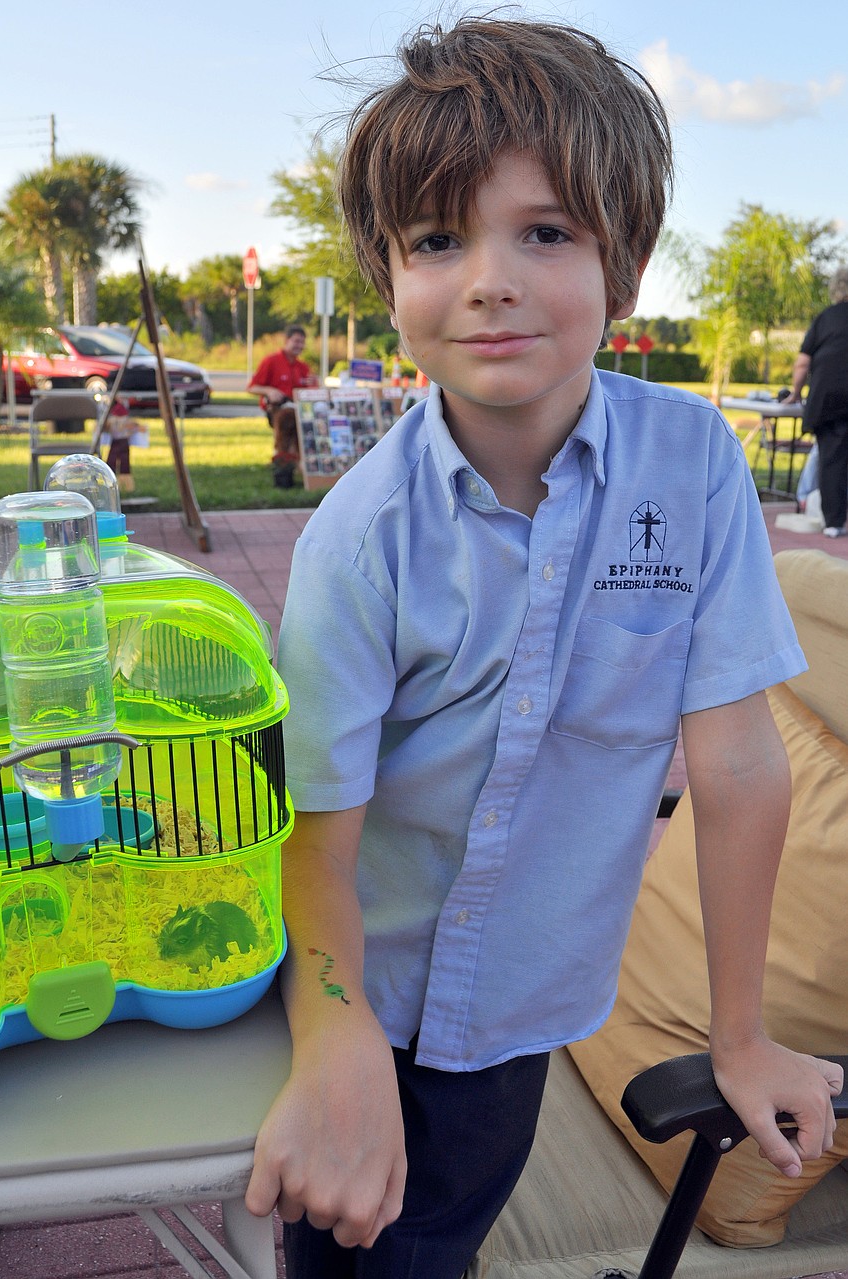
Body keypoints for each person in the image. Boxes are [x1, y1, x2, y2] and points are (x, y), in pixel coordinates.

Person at [245, 18, 843, 1279]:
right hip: (364, 983)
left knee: (434, 1248)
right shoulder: (362, 537)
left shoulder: (692, 470)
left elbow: (736, 765)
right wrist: (336, 1041)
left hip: (522, 1009)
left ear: (622, 270)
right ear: (389, 276)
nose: (488, 279)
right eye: (437, 239)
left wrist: (739, 1036)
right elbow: (318, 828)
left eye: (546, 231)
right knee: (339, 1257)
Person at [786, 266, 848, 537]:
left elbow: (802, 364)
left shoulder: (825, 318)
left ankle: (834, 523)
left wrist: (795, 393)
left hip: (829, 400)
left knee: (831, 460)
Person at [247, 325, 315, 487]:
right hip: (278, 409)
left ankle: (307, 468)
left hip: (300, 410)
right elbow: (252, 387)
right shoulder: (271, 361)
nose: (299, 346)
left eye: (302, 342)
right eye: (296, 341)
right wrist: (269, 391)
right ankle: (283, 467)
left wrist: (314, 385)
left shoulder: (303, 367)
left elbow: (311, 392)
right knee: (288, 419)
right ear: (286, 341)